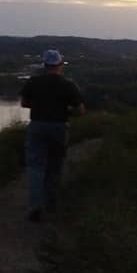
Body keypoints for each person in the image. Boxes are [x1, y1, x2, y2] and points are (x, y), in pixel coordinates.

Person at [20, 49, 85, 222]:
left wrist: (39, 106)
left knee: (35, 167)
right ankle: (51, 203)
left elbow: (24, 103)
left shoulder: (33, 82)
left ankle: (35, 206)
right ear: (60, 65)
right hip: (59, 127)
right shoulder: (68, 84)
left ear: (45, 65)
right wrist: (66, 111)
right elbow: (80, 110)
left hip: (37, 126)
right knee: (54, 167)